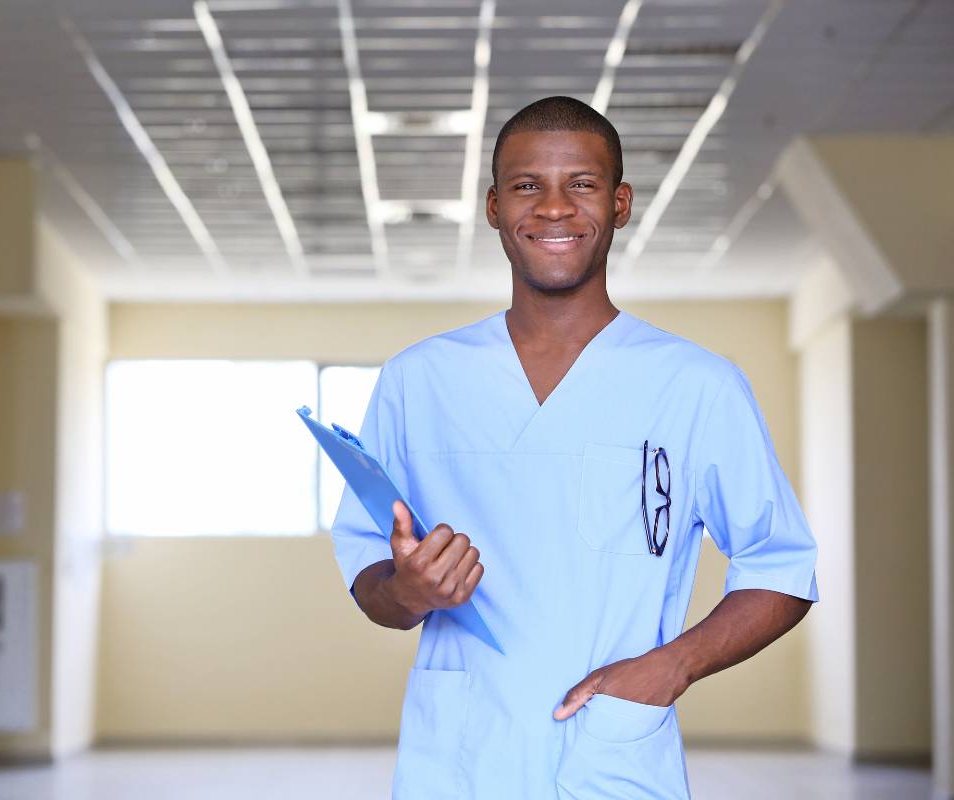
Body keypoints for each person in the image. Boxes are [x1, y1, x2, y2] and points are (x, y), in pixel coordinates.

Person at [328, 95, 818, 799]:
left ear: (619, 204)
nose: (554, 208)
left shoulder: (696, 385)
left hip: (611, 750)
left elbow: (781, 565)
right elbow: (370, 574)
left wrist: (671, 667)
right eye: (528, 185)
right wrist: (407, 591)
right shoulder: (420, 379)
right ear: (495, 207)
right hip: (460, 757)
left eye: (581, 184)